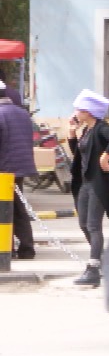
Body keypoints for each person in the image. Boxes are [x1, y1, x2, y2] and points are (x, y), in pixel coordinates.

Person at [67, 90, 109, 288]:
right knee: (83, 223)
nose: (75, 112)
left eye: (78, 109)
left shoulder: (101, 128)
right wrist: (72, 134)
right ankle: (102, 259)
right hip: (85, 183)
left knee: (93, 225)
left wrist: (106, 156)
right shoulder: (87, 130)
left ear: (88, 111)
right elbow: (80, 155)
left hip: (98, 184)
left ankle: (93, 268)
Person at [0, 87, 35, 259]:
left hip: (4, 169)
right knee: (18, 208)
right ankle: (26, 248)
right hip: (20, 168)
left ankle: (7, 249)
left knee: (5, 209)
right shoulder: (22, 113)